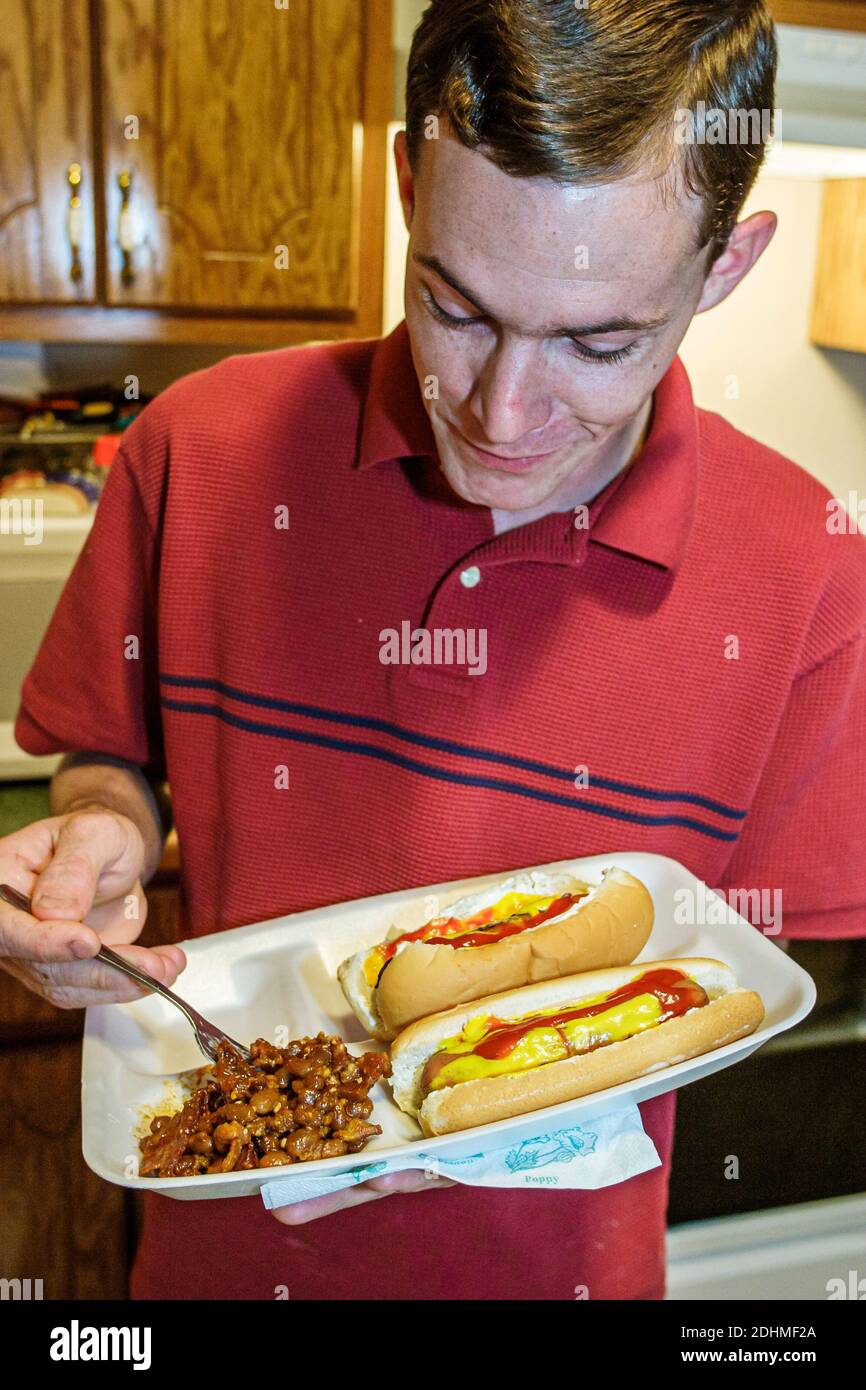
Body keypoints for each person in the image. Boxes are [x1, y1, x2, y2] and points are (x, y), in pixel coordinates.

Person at [3, 0, 865, 1300]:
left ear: (723, 269)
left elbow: (782, 961)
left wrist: (517, 1093)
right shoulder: (201, 449)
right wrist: (101, 835)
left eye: (597, 341)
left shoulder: (813, 562)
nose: (500, 413)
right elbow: (104, 756)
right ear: (407, 181)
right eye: (455, 305)